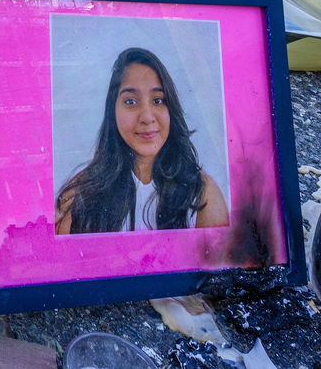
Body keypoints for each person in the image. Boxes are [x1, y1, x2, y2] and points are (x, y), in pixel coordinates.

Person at [55, 47, 228, 234]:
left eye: (158, 100)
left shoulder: (203, 194)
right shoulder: (80, 195)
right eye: (130, 101)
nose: (146, 117)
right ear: (113, 111)